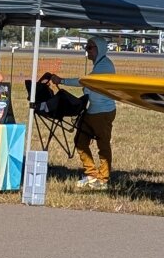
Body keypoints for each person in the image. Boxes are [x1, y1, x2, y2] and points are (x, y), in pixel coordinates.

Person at [49, 37, 117, 190]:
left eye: (90, 47)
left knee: (103, 145)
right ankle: (91, 173)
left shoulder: (105, 65)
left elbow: (86, 82)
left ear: (99, 49)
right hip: (92, 110)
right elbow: (87, 86)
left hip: (103, 112)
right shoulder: (99, 64)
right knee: (80, 141)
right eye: (87, 47)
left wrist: (62, 81)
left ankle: (103, 179)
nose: (87, 50)